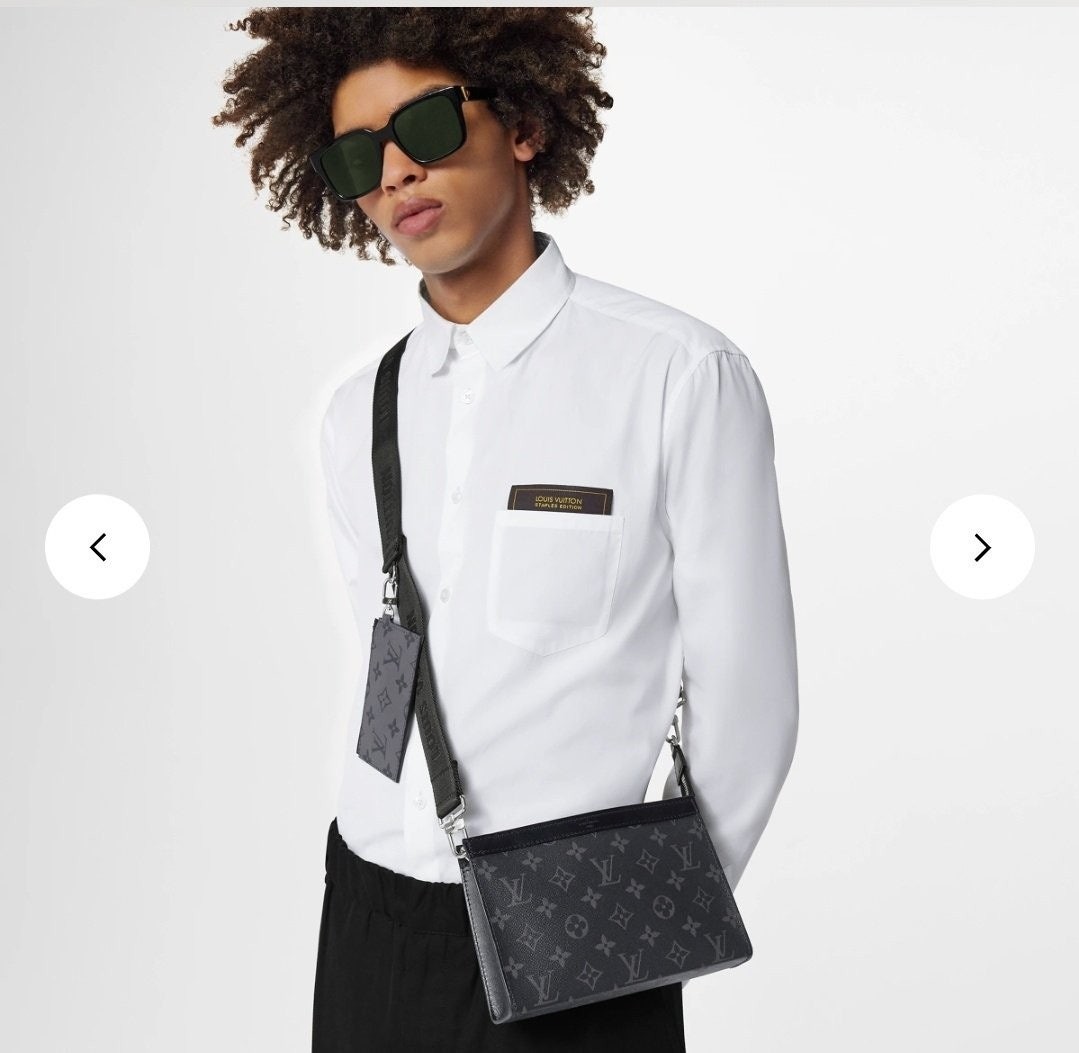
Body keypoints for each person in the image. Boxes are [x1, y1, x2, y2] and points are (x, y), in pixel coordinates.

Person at [213, 8, 799, 1051]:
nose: (396, 172)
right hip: (369, 916)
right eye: (357, 156)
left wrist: (647, 914)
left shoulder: (675, 375)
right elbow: (390, 660)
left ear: (523, 125)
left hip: (576, 930)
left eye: (425, 126)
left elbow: (747, 701)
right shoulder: (358, 411)